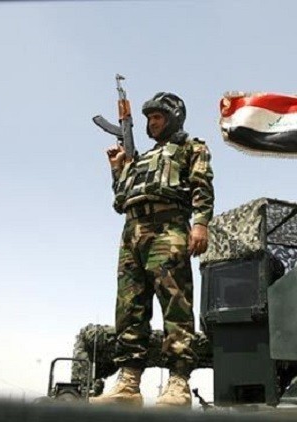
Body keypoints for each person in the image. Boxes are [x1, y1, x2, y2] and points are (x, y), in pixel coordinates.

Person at [91, 92, 214, 407]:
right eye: (148, 118)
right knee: (129, 307)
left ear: (173, 117)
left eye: (157, 117)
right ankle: (128, 383)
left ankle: (178, 383)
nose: (151, 123)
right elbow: (120, 200)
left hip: (167, 228)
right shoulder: (141, 158)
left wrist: (200, 224)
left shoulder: (191, 147)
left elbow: (202, 186)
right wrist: (118, 169)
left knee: (175, 304)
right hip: (132, 232)